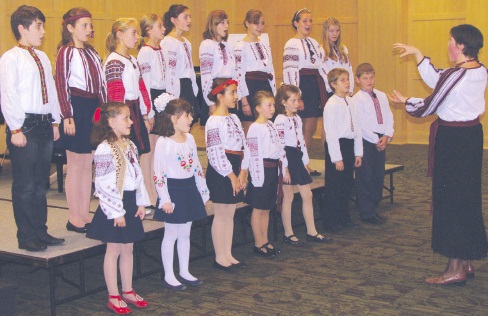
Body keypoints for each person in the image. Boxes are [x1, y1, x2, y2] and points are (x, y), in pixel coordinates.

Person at [389, 24, 488, 285]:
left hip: (453, 141)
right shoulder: (480, 70)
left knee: (451, 199)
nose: (448, 45)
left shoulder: (457, 76)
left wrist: (406, 102)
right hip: (471, 137)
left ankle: (454, 268)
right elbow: (440, 79)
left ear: (462, 46)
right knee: (466, 196)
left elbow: (430, 104)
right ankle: (466, 259)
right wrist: (419, 54)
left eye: (451, 41)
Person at [0, 5, 64, 251]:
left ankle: (41, 230)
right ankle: (26, 236)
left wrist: (55, 120)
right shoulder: (10, 58)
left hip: (45, 123)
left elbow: (53, 92)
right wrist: (15, 129)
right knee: (25, 185)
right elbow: (8, 95)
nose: (43, 31)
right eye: (38, 26)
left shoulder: (43, 57)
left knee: (40, 183)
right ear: (21, 28)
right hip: (24, 125)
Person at [87, 102, 149, 314]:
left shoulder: (130, 145)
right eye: (126, 118)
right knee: (113, 249)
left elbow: (137, 175)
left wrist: (141, 201)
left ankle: (128, 290)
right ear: (112, 122)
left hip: (130, 202)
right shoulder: (105, 149)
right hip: (114, 205)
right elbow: (103, 184)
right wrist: (116, 212)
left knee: (128, 248)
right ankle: (113, 295)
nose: (131, 122)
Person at [55, 7, 107, 233]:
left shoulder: (93, 52)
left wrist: (105, 111)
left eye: (90, 24)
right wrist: (67, 115)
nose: (89, 29)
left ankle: (85, 212)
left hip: (93, 107)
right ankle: (73, 216)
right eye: (84, 25)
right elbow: (61, 84)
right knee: (75, 165)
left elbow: (102, 83)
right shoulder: (65, 52)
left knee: (88, 165)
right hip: (75, 107)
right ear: (70, 28)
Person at [153, 94, 209, 290]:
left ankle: (184, 270)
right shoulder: (164, 142)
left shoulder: (191, 139)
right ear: (174, 118)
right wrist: (165, 199)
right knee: (171, 234)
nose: (191, 119)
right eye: (187, 115)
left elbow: (196, 167)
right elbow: (158, 173)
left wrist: (202, 190)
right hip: (173, 191)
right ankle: (169, 274)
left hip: (189, 188)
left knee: (185, 232)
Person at [274, 84, 332, 245]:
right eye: (293, 100)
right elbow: (280, 145)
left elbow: (302, 143)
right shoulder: (280, 120)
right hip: (287, 158)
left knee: (307, 194)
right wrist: (284, 168)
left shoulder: (297, 118)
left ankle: (311, 231)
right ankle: (288, 233)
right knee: (288, 196)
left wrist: (305, 162)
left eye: (298, 99)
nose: (297, 103)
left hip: (297, 157)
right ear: (283, 102)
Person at [205, 78, 249, 270]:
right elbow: (215, 152)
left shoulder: (235, 118)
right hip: (221, 170)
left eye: (235, 92)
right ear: (220, 96)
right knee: (221, 213)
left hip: (236, 167)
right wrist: (231, 176)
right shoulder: (213, 121)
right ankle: (219, 256)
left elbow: (244, 146)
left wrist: (243, 173)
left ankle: (228, 253)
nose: (236, 96)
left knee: (230, 213)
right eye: (231, 93)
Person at [283, 8, 328, 176]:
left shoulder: (314, 43)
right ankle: (295, 164)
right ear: (296, 23)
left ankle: (305, 163)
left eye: (310, 21)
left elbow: (321, 66)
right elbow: (290, 70)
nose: (308, 24)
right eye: (304, 21)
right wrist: (296, 96)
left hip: (314, 85)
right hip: (302, 85)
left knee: (310, 128)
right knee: (299, 128)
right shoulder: (291, 44)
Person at [322, 68, 362, 233]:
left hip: (349, 145)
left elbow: (357, 128)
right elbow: (330, 133)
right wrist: (336, 158)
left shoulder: (351, 101)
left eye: (347, 79)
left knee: (347, 184)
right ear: (333, 84)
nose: (347, 83)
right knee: (335, 186)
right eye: (342, 80)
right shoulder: (331, 104)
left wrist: (358, 152)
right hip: (336, 146)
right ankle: (331, 221)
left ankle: (344, 217)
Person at [105, 18, 153, 155]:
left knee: (135, 153)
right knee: (125, 153)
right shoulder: (114, 61)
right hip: (124, 113)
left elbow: (141, 89)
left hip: (135, 111)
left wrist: (145, 115)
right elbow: (115, 97)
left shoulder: (132, 59)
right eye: (134, 33)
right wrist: (121, 121)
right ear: (120, 34)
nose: (138, 37)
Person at [353, 63, 394, 224]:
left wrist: (387, 135)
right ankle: (366, 212)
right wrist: (376, 139)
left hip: (380, 138)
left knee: (378, 174)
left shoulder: (381, 95)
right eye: (364, 78)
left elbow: (389, 116)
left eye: (371, 77)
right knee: (365, 176)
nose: (369, 81)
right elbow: (361, 124)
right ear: (357, 80)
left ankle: (374, 207)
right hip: (366, 140)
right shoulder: (356, 100)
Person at [246, 91, 282, 258]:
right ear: (258, 108)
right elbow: (253, 154)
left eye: (273, 105)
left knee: (266, 208)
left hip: (273, 169)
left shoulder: (271, 125)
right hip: (261, 170)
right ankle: (258, 243)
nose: (273, 108)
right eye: (269, 105)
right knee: (258, 208)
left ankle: (265, 240)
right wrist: (257, 177)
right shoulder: (255, 128)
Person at [137, 13, 166, 212]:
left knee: (158, 151)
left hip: (162, 97)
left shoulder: (160, 49)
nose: (163, 29)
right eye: (159, 26)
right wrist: (148, 112)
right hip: (150, 99)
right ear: (148, 30)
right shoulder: (145, 52)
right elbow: (144, 84)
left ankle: (158, 189)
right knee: (148, 150)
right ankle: (147, 193)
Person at [234, 9, 276, 134]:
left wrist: (273, 92)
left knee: (267, 126)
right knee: (250, 128)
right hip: (250, 87)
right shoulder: (240, 47)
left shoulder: (264, 44)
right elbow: (239, 75)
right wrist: (244, 101)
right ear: (247, 23)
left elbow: (270, 69)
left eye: (262, 23)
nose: (260, 27)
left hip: (265, 86)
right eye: (256, 23)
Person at [161, 4, 199, 123]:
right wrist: (172, 95)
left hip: (188, 85)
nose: (189, 20)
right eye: (185, 17)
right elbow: (170, 71)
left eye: (190, 17)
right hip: (178, 86)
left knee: (191, 118)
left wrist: (194, 88)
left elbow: (190, 67)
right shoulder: (168, 41)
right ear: (174, 20)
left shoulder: (187, 42)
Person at [199, 9, 236, 126]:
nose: (226, 26)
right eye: (222, 23)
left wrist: (235, 93)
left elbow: (234, 71)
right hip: (216, 90)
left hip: (229, 89)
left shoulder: (228, 46)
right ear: (213, 25)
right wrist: (210, 101)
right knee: (217, 125)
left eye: (227, 22)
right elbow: (206, 75)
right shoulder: (207, 44)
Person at [322, 17, 354, 96]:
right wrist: (336, 90)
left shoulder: (343, 49)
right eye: (331, 31)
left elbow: (349, 70)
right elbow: (324, 74)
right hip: (332, 92)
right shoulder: (321, 50)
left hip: (346, 92)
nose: (335, 34)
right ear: (326, 32)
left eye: (337, 31)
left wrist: (349, 90)